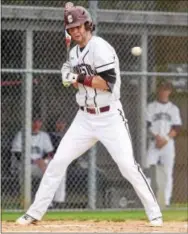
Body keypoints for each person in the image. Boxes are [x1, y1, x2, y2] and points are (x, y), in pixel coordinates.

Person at [16, 2, 162, 227]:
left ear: (88, 25)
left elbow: (107, 83)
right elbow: (80, 86)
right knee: (58, 162)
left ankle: (154, 213)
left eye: (79, 27)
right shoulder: (74, 52)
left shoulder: (100, 48)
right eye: (71, 28)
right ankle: (34, 212)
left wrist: (76, 78)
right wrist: (69, 77)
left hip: (110, 116)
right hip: (84, 118)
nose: (75, 31)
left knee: (127, 165)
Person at [11, 117, 66, 204]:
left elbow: (50, 152)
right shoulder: (21, 134)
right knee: (26, 170)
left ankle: (57, 201)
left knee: (58, 170)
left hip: (40, 165)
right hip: (25, 164)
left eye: (39, 122)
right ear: (29, 123)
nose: (37, 124)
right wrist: (33, 161)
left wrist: (43, 160)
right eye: (34, 122)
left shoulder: (44, 135)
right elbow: (17, 153)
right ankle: (26, 201)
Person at [146, 81, 182, 207]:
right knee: (148, 169)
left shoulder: (173, 109)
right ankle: (149, 199)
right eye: (162, 89)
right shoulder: (151, 107)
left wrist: (165, 138)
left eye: (166, 89)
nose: (164, 91)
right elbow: (147, 125)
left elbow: (177, 128)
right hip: (154, 142)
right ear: (158, 91)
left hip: (168, 144)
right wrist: (157, 138)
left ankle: (166, 202)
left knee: (167, 172)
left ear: (169, 92)